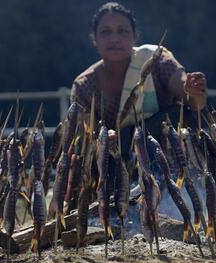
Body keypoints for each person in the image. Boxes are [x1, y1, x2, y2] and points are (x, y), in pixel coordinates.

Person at [70, 2, 207, 158]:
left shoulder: (155, 59)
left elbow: (193, 101)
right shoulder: (83, 85)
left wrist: (195, 90)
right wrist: (104, 139)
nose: (114, 38)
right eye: (106, 32)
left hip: (171, 158)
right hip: (117, 167)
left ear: (134, 36)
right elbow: (87, 136)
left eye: (122, 31)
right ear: (95, 39)